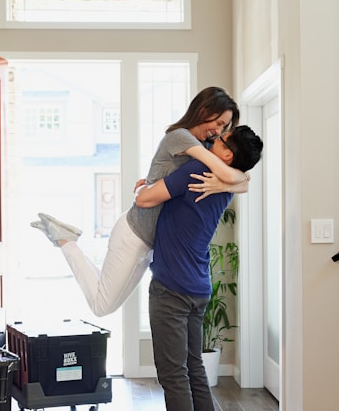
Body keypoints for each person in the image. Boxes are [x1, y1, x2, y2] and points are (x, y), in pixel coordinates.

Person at [31, 87, 250, 317]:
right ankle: (66, 240)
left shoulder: (204, 145)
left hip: (148, 244)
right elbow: (228, 172)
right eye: (219, 123)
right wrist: (227, 180)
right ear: (204, 110)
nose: (218, 131)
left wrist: (225, 184)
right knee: (101, 306)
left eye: (224, 128)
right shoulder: (181, 137)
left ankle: (66, 239)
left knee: (106, 300)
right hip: (133, 233)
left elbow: (245, 181)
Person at [135, 126, 263, 411]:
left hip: (171, 288)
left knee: (174, 376)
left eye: (220, 140)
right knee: (193, 371)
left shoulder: (199, 170)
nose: (212, 140)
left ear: (227, 155)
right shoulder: (230, 184)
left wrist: (144, 189)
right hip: (197, 286)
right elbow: (241, 179)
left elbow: (145, 199)